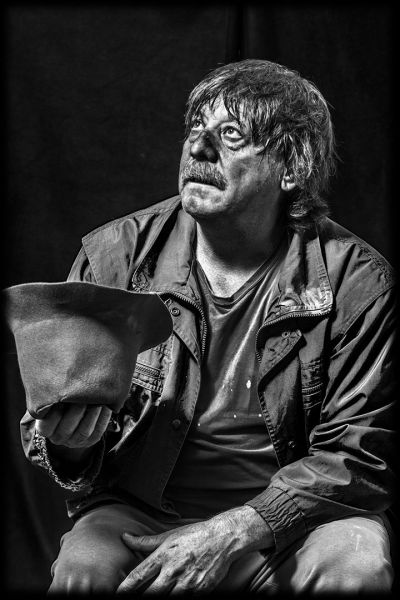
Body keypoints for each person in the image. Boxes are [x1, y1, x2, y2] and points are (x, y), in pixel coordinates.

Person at [20, 59, 396, 594]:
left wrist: (237, 528)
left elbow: (361, 456)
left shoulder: (359, 284)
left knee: (356, 567)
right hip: (143, 514)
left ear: (290, 168)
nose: (198, 147)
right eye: (195, 128)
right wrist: (70, 445)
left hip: (292, 525)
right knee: (85, 569)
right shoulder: (114, 258)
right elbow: (54, 442)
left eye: (231, 134)